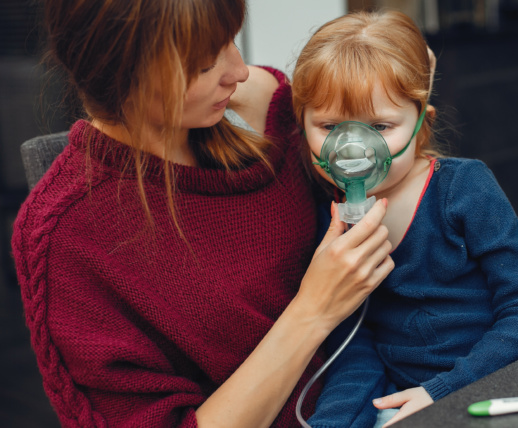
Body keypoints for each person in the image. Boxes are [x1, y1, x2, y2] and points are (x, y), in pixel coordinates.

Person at [12, 1, 394, 427]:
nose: (241, 71)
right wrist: (314, 311)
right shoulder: (65, 236)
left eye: (231, 39)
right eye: (206, 62)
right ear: (123, 74)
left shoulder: (271, 108)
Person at [291, 11, 518, 427]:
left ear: (421, 124)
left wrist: (444, 393)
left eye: (380, 125)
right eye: (330, 126)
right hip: (398, 401)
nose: (354, 150)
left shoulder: (464, 189)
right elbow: (354, 343)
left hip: (489, 387)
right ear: (303, 125)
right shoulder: (331, 215)